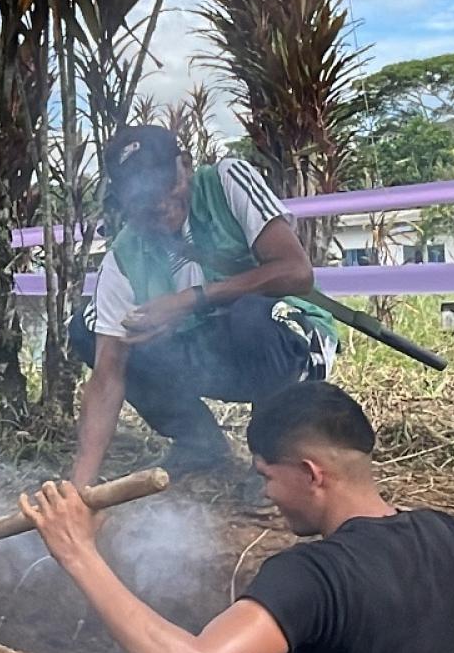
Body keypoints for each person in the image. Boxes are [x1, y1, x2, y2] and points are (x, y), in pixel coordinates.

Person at [21, 381, 454, 653]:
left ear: (312, 474)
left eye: (268, 476)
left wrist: (78, 552)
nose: (266, 493)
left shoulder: (312, 576)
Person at [68, 125, 337, 488]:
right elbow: (107, 376)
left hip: (287, 345)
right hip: (214, 360)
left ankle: (275, 454)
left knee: (250, 314)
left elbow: (296, 273)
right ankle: (198, 442)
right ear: (125, 202)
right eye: (144, 197)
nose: (161, 203)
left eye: (168, 185)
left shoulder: (227, 182)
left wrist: (190, 300)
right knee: (90, 329)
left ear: (186, 165)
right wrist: (80, 487)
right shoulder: (123, 258)